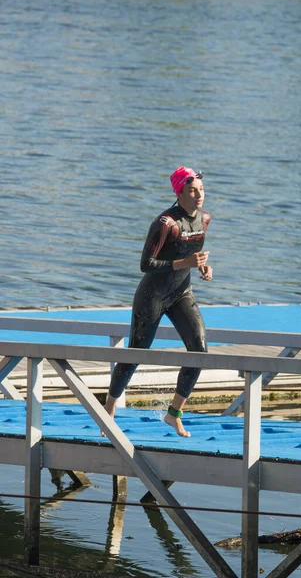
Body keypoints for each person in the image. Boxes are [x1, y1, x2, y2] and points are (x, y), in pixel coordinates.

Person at [104, 166, 212, 437]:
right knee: (135, 354)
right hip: (152, 296)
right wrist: (183, 263)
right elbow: (146, 264)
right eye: (191, 190)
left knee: (199, 350)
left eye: (201, 190)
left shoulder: (205, 219)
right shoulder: (165, 223)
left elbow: (192, 251)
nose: (198, 195)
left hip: (181, 293)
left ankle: (174, 413)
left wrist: (201, 267)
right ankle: (108, 411)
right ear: (179, 193)